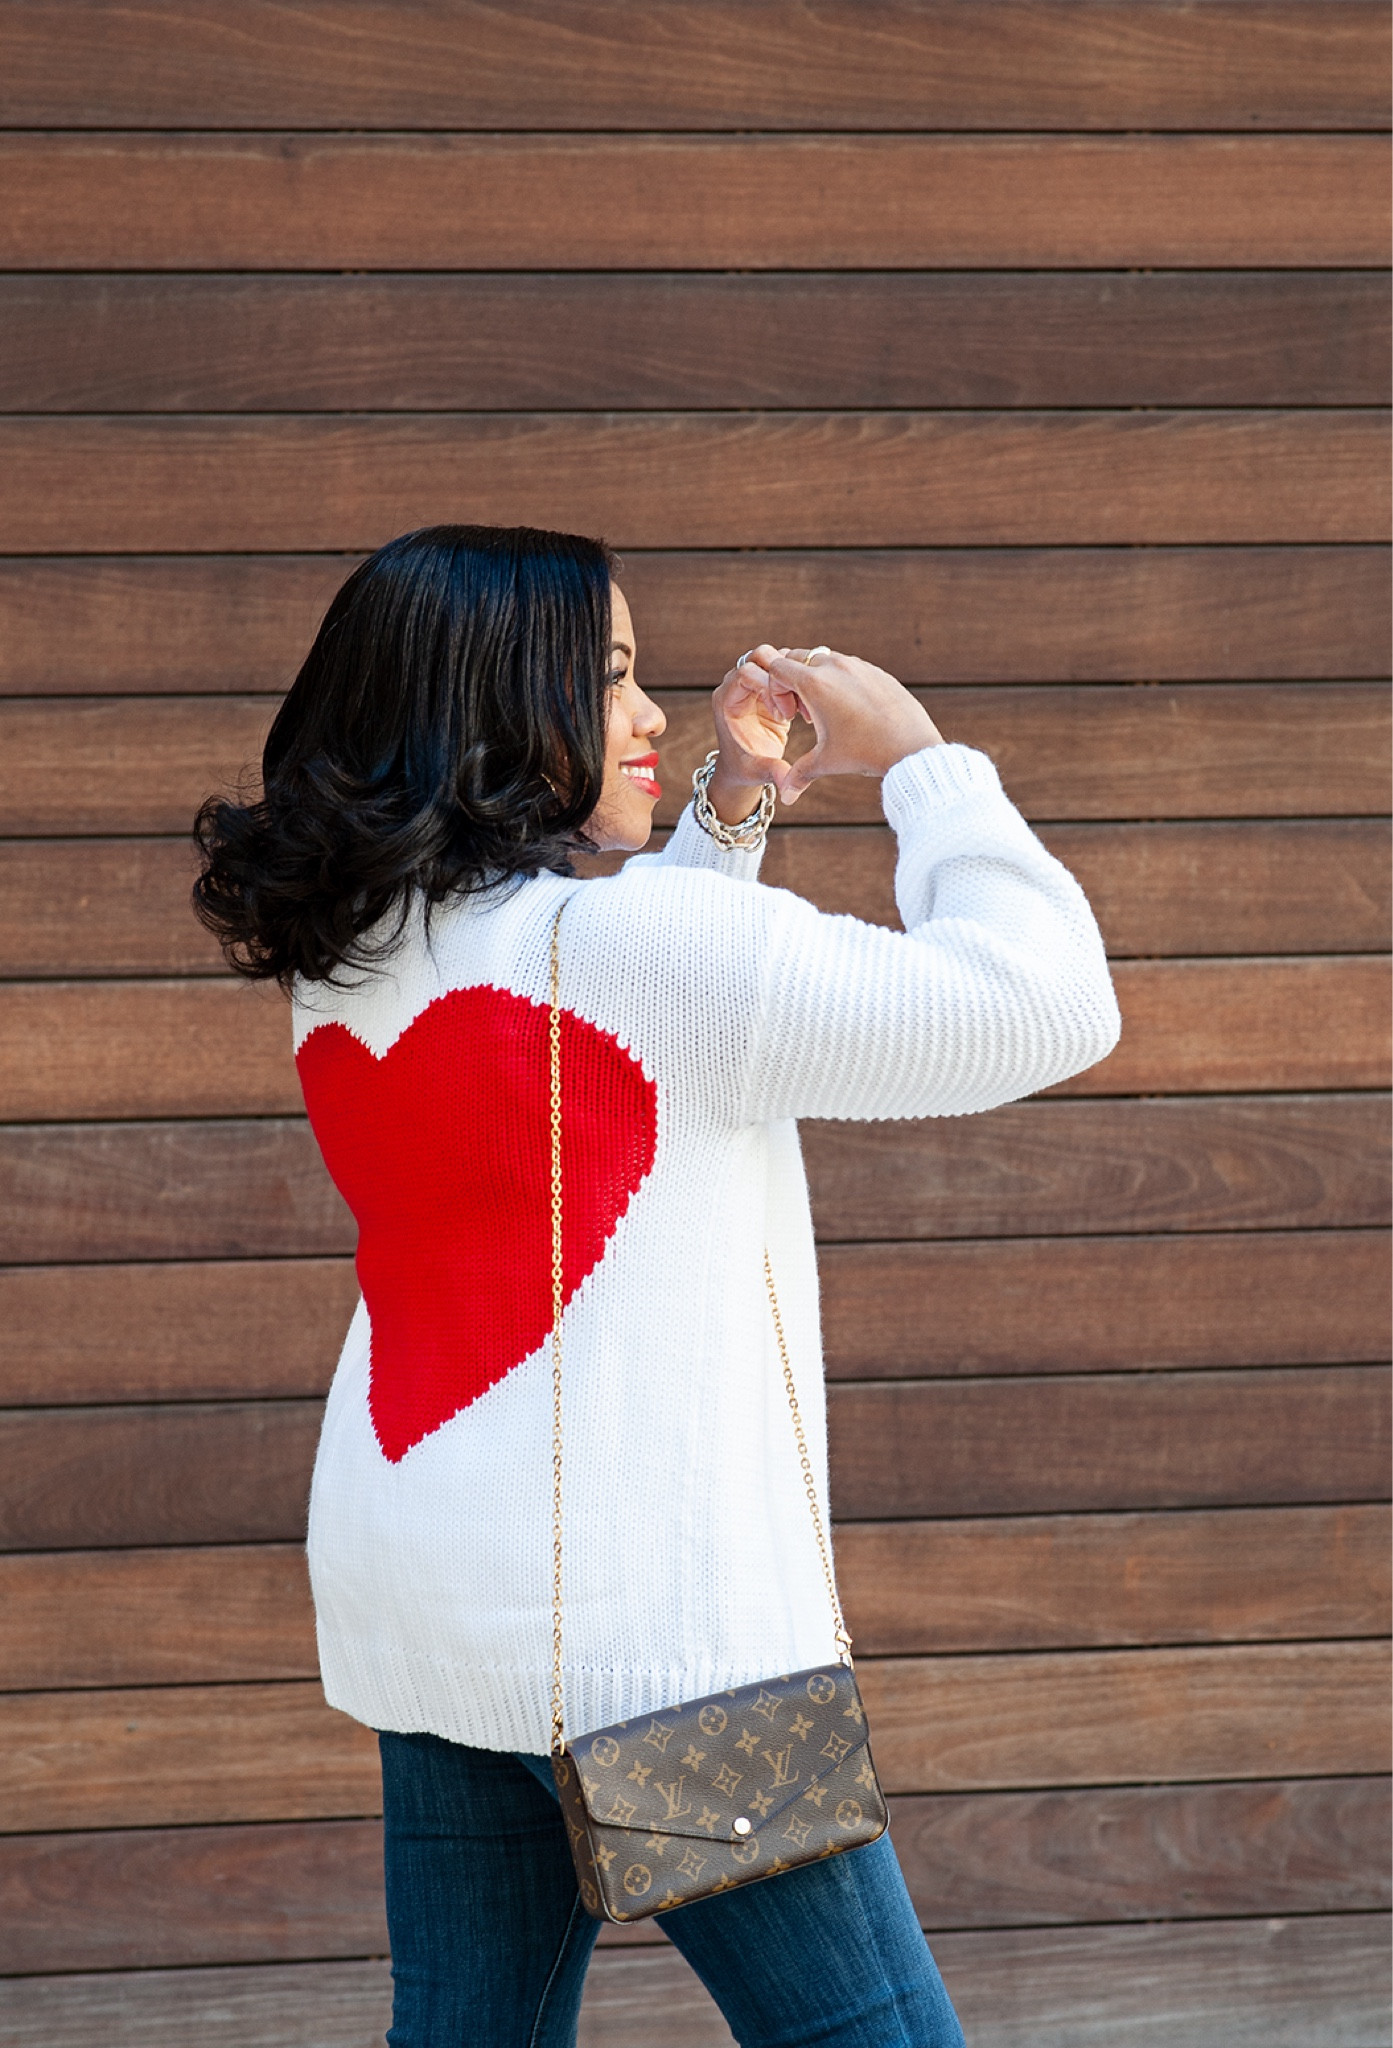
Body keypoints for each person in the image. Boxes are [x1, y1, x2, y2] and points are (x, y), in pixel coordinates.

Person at [194, 523, 1121, 2047]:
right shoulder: (638, 950)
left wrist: (730, 812)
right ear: (501, 709)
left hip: (433, 1599)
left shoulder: (355, 954)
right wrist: (923, 768)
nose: (648, 716)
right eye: (608, 678)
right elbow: (1047, 1005)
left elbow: (615, 1010)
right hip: (660, 1645)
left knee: (467, 2035)